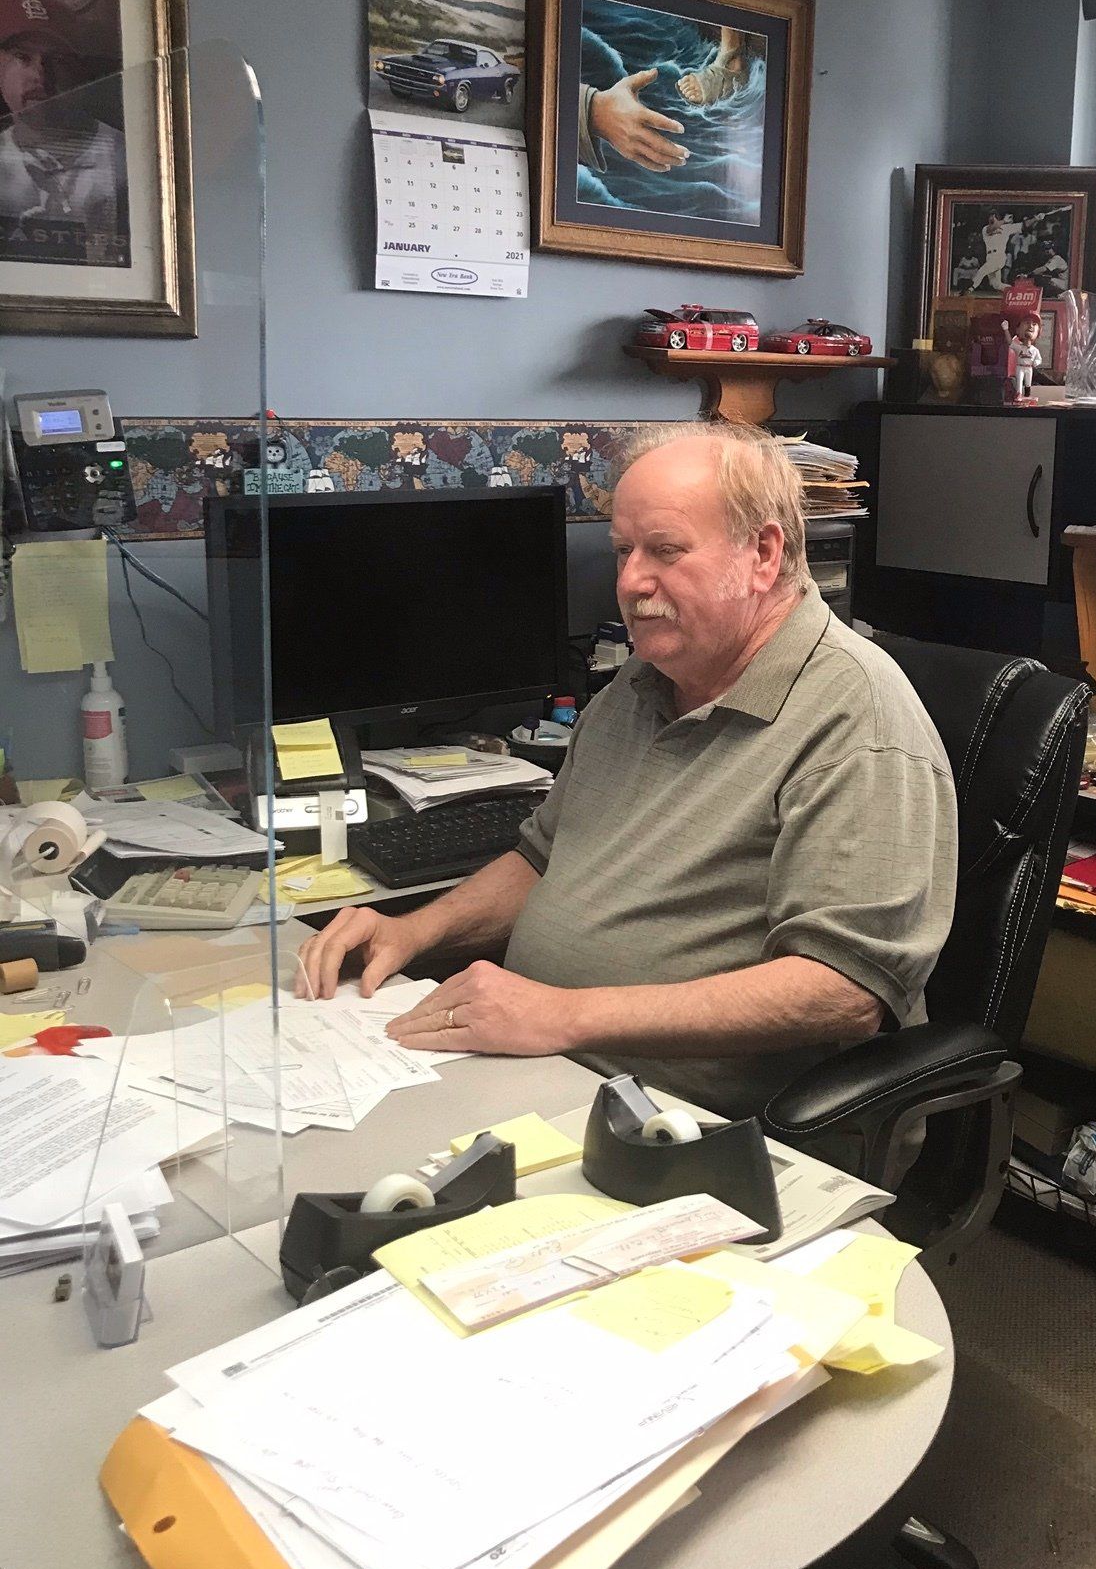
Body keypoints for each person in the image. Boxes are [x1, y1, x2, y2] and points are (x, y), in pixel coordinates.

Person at [298, 423, 958, 1119]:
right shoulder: (640, 686)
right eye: (623, 551)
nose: (630, 581)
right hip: (548, 1072)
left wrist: (565, 1014)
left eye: (665, 552)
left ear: (763, 554)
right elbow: (544, 859)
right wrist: (413, 932)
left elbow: (840, 991)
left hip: (694, 1128)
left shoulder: (859, 724)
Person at [0, 0, 127, 262]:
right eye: (23, 57)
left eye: (56, 59)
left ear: (78, 72)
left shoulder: (127, 157)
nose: (40, 74)